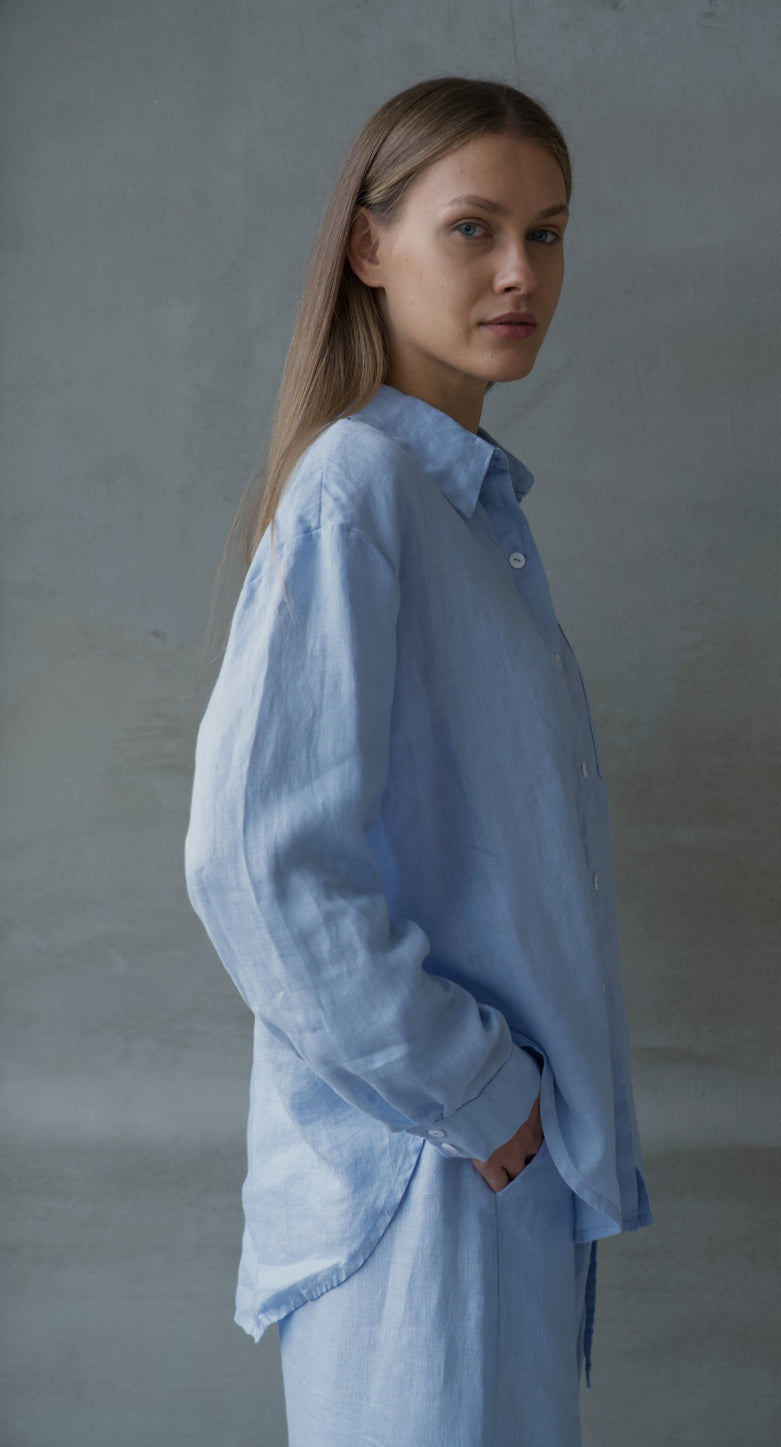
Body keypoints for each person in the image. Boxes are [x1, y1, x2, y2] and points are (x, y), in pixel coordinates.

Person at [184, 75, 653, 1447]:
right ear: (369, 247)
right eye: (473, 229)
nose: (521, 273)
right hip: (424, 1177)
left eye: (547, 234)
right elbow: (256, 865)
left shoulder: (463, 513)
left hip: (485, 1176)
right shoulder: (358, 493)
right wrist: (478, 1092)